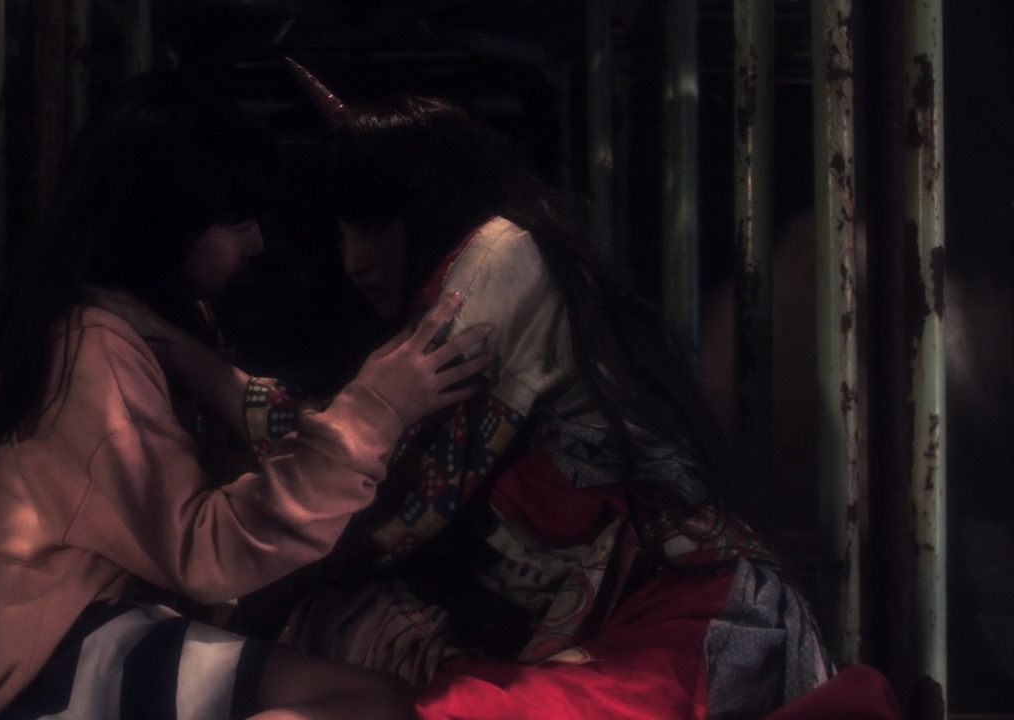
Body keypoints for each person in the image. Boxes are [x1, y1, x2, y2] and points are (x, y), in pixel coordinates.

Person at [202, 64, 835, 719]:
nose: (353, 260)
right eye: (342, 233)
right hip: (620, 602)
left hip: (686, 604)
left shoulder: (501, 260)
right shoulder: (468, 288)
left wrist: (194, 368)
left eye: (372, 224)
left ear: (428, 201)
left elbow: (397, 484)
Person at [0, 69, 497, 720]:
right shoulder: (90, 347)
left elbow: (269, 451)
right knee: (368, 703)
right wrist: (375, 411)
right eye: (236, 220)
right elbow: (205, 552)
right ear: (167, 219)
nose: (256, 242)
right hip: (55, 660)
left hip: (103, 635)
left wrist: (201, 362)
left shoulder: (154, 329)